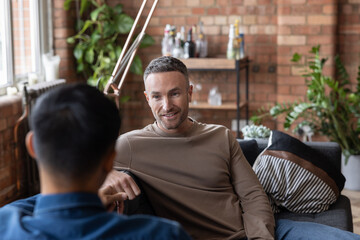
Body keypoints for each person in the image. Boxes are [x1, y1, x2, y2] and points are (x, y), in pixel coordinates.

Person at [104, 56, 360, 240]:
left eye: (175, 93)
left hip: (259, 232)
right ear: (147, 99)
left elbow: (252, 195)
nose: (167, 105)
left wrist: (260, 237)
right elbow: (71, 166)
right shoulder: (130, 146)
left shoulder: (221, 137)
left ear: (190, 92)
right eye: (157, 96)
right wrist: (106, 173)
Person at [0, 83, 191, 240]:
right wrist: (85, 201)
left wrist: (75, 202)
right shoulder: (163, 235)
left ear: (32, 146)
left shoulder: (6, 227)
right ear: (110, 160)